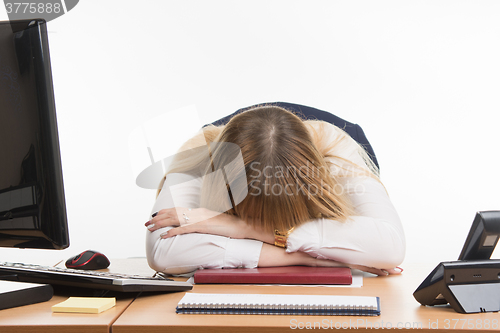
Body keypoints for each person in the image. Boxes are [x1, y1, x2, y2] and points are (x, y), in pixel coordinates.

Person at [145, 105, 405, 276]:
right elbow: (162, 253)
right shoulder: (201, 155)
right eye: (248, 216)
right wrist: (313, 260)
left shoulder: (339, 151)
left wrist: (243, 228)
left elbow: (390, 247)